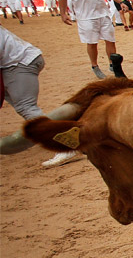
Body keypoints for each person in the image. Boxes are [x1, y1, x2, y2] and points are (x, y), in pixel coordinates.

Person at [1, 27, 78, 167]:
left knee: (26, 107)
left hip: (19, 63)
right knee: (21, 106)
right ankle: (58, 133)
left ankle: (66, 146)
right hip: (16, 62)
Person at [55, 0, 126, 80]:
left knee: (110, 40)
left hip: (103, 14)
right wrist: (63, 13)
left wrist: (120, 2)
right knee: (92, 42)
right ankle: (95, 66)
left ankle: (113, 64)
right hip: (85, 17)